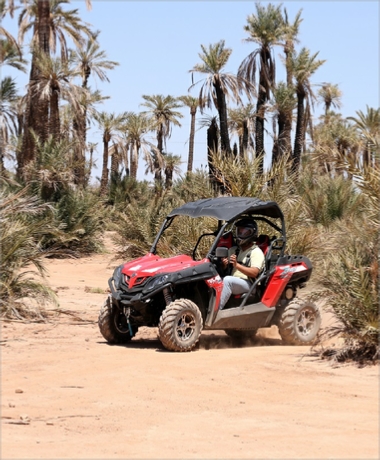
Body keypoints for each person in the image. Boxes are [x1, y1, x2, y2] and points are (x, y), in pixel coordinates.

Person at [219, 218, 265, 309]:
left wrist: (237, 265)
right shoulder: (233, 250)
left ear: (252, 233)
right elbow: (225, 269)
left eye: (244, 232)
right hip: (235, 281)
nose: (240, 234)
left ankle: (216, 312)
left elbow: (254, 273)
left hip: (249, 284)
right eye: (239, 231)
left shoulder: (256, 252)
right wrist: (224, 265)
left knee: (227, 281)